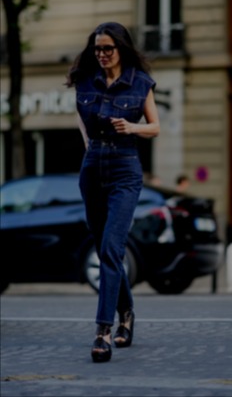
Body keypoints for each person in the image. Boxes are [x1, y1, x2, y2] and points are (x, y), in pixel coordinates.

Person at [67, 22, 160, 362]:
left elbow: (155, 127)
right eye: (97, 49)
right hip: (93, 168)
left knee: (110, 248)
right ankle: (128, 313)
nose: (102, 55)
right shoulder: (85, 81)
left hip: (125, 168)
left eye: (108, 48)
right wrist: (89, 146)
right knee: (103, 247)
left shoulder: (140, 83)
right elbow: (81, 119)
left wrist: (131, 127)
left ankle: (102, 331)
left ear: (121, 48)